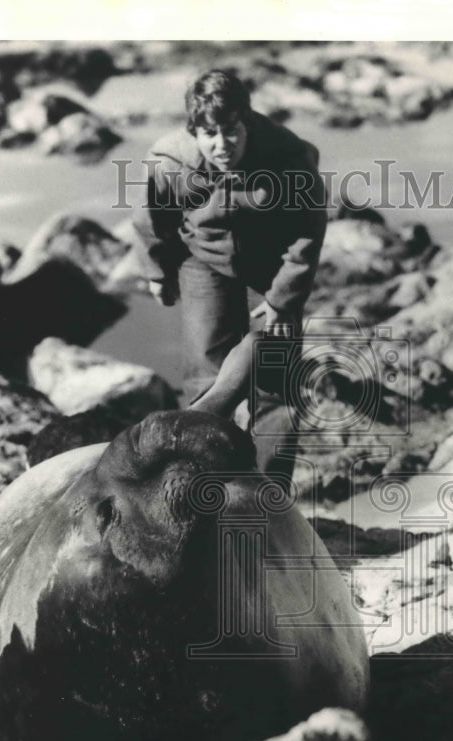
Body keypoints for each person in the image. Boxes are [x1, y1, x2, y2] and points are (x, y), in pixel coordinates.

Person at [131, 68, 327, 481]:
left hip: (270, 264)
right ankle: (208, 490)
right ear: (194, 132)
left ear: (247, 122)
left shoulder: (287, 156)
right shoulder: (169, 161)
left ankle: (270, 496)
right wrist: (157, 271)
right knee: (207, 376)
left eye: (232, 131)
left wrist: (283, 298)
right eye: (210, 134)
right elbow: (152, 218)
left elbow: (307, 230)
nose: (222, 145)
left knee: (276, 381)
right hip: (202, 261)